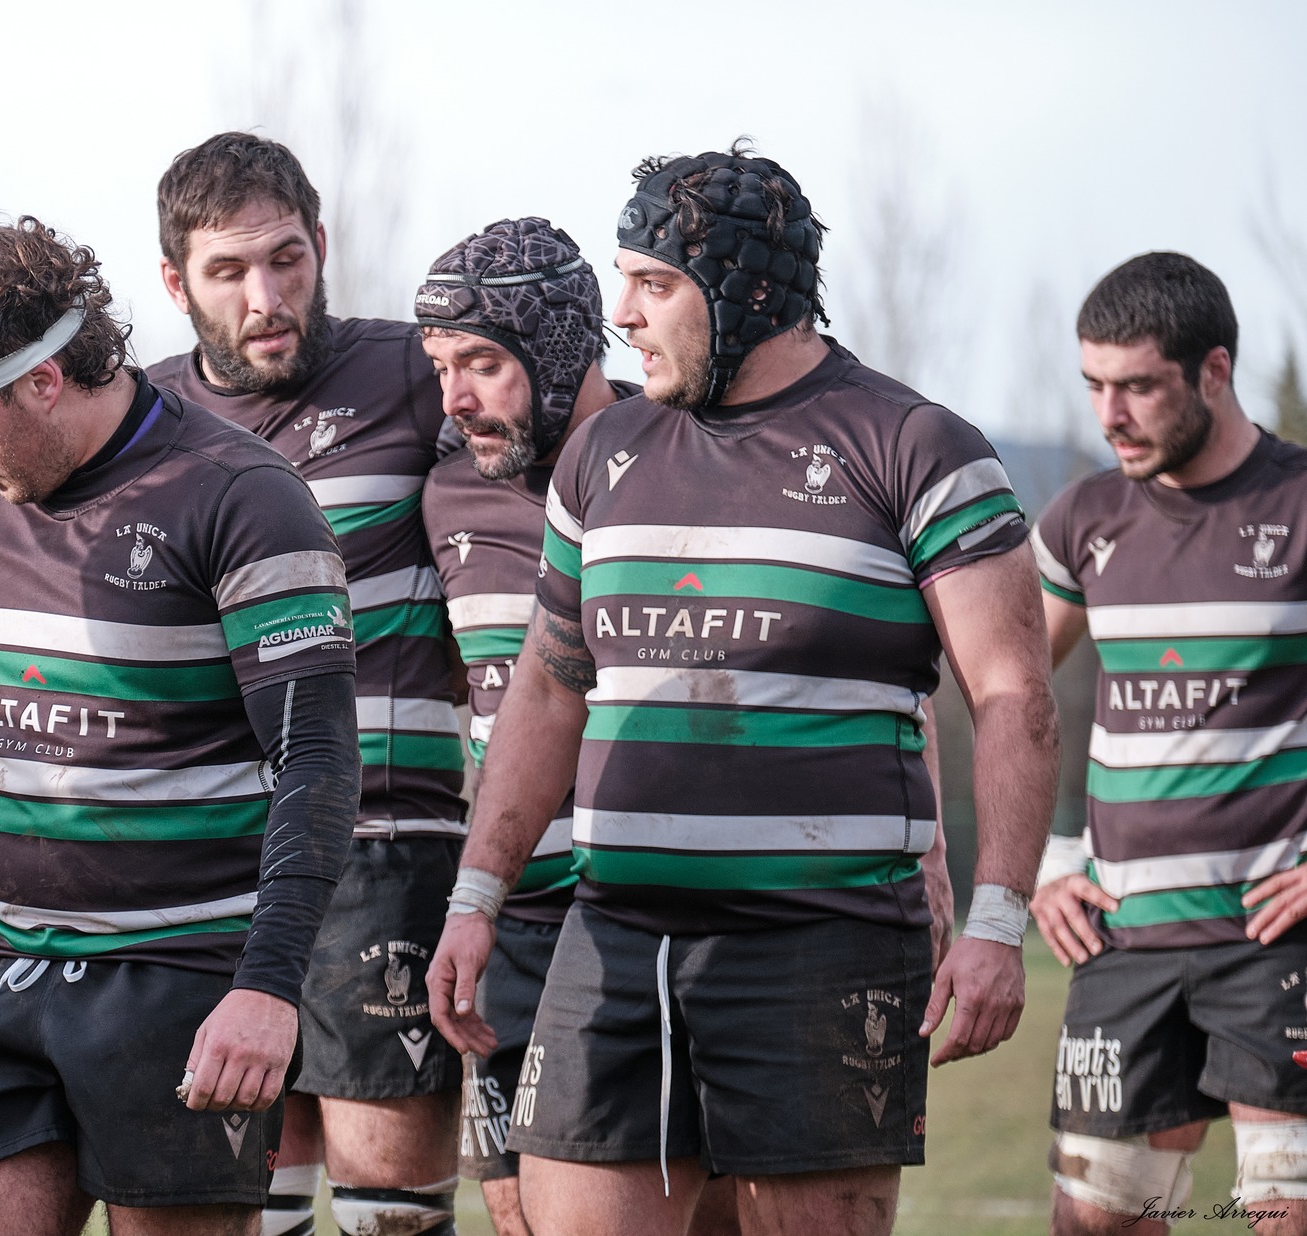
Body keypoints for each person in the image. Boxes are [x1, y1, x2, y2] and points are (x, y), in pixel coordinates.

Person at [427, 146, 1059, 1236]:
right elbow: (547, 690)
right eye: (622, 279)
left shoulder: (913, 446)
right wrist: (475, 897)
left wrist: (998, 920)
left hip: (826, 945)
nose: (623, 314)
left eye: (653, 283)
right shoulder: (602, 455)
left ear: (748, 292)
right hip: (613, 937)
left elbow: (1013, 697)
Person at [0, 216, 360, 1236]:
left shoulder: (245, 497)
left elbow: (317, 760)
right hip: (0, 965)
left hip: (182, 980)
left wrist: (268, 986)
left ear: (43, 382)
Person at [149, 131, 465, 1236]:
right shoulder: (144, 418)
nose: (266, 297)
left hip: (385, 844)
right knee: (243, 1204)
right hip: (206, 865)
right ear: (175, 283)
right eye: (228, 271)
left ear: (321, 245)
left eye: (286, 259)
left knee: (390, 1215)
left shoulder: (414, 373)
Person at [1030, 252, 1307, 1235]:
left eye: (1138, 387)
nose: (1109, 415)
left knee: (1285, 1213)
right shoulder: (1084, 518)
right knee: (1094, 1219)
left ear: (1214, 371)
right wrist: (1041, 864)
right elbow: (1004, 693)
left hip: (1274, 939)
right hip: (1122, 941)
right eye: (1093, 386)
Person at [416, 216, 638, 1236]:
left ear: (557, 352)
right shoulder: (444, 488)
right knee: (514, 1218)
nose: (454, 398)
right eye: (440, 367)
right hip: (507, 927)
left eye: (482, 364)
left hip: (646, 924)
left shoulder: (675, 457)